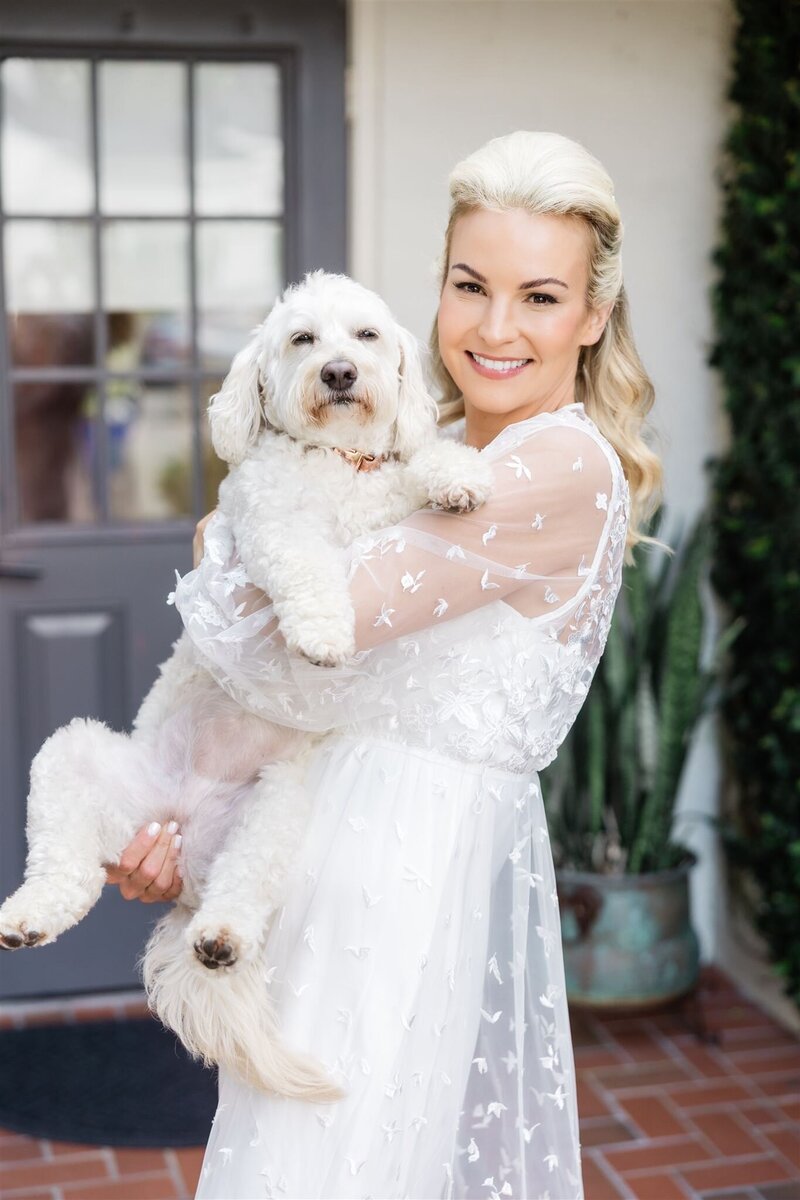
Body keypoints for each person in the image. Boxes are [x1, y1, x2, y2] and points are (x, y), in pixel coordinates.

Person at [107, 131, 661, 1200]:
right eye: (469, 286)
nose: (494, 328)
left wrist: (223, 534)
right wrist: (189, 819)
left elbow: (294, 623)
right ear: (437, 293)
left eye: (538, 297)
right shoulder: (432, 440)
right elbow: (277, 672)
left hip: (399, 868)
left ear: (591, 317)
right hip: (311, 834)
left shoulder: (557, 464)